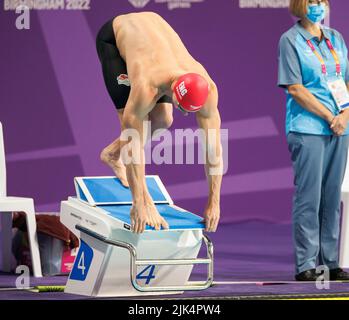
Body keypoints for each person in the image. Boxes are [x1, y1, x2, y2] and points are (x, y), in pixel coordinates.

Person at [96, 12, 222, 234]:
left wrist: (214, 201)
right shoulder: (147, 86)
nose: (185, 115)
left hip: (156, 39)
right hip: (115, 41)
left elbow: (214, 149)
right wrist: (141, 203)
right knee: (137, 124)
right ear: (173, 91)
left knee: (164, 119)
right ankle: (134, 182)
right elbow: (132, 143)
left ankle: (111, 154)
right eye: (182, 107)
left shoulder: (208, 88)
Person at [278, 0, 349, 281]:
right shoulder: (290, 40)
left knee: (331, 196)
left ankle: (330, 262)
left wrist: (344, 115)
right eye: (311, 1)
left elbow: (345, 80)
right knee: (310, 197)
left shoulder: (336, 38)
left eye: (321, 0)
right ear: (299, 5)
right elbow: (295, 88)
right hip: (308, 128)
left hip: (340, 128)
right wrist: (329, 116)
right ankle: (307, 263)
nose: (318, 5)